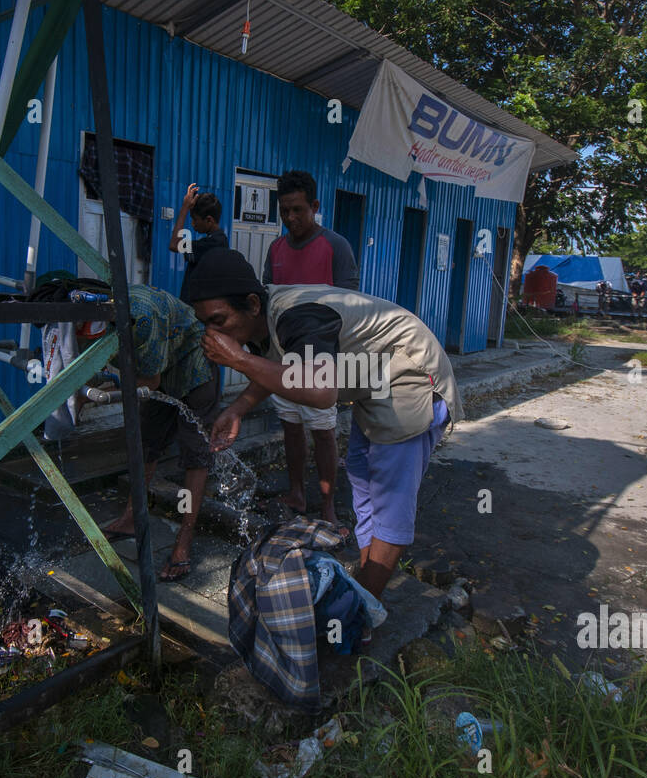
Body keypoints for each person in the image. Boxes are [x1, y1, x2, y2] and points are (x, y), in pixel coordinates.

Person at [182, 248, 460, 614]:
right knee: (363, 483)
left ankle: (362, 611)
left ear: (252, 304)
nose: (212, 335)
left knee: (390, 501)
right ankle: (365, 590)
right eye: (205, 324)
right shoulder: (263, 319)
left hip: (409, 378)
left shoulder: (298, 315)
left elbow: (320, 390)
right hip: (373, 383)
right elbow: (283, 364)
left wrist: (238, 359)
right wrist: (238, 408)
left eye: (218, 321)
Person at [261, 170, 359, 536]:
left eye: (298, 210)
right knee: (289, 426)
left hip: (322, 358)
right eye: (284, 211)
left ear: (315, 206)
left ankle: (328, 506)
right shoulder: (276, 249)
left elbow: (352, 306)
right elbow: (270, 301)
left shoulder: (336, 246)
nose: (290, 219)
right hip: (284, 355)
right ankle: (297, 495)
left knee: (322, 430)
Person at [102, 284, 219, 581]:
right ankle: (131, 518)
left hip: (195, 367)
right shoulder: (97, 315)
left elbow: (149, 383)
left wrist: (110, 387)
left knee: (195, 455)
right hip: (163, 368)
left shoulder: (140, 317)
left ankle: (183, 543)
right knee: (146, 443)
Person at [170, 182, 228, 303]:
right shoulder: (217, 240)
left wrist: (185, 207)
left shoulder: (213, 244)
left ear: (209, 220)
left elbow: (174, 244)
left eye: (195, 219)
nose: (192, 224)